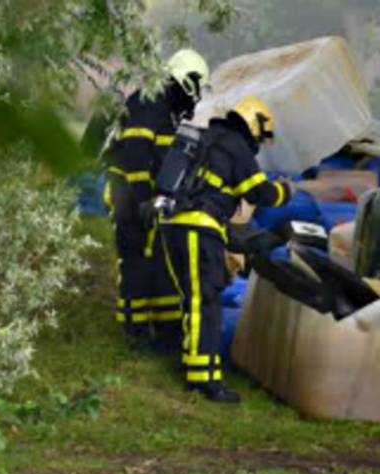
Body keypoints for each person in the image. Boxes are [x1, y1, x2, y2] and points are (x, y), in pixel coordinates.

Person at [158, 99, 293, 403]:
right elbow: (261, 193)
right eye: (260, 136)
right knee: (204, 302)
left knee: (193, 299)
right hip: (198, 227)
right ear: (254, 124)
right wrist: (288, 191)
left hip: (174, 226)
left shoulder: (207, 140)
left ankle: (194, 363)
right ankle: (203, 380)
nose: (258, 143)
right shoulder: (236, 147)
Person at [103, 49, 210, 354]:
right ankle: (134, 331)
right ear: (184, 81)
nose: (198, 96)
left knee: (157, 261)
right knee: (136, 258)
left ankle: (163, 330)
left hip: (146, 195)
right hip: (128, 192)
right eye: (197, 86)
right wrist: (143, 201)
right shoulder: (149, 103)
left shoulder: (166, 108)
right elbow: (135, 156)